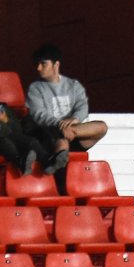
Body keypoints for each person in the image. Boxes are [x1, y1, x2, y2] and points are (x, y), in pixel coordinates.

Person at [26, 44, 108, 172]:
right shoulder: (35, 88)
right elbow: (39, 115)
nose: (38, 68)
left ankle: (64, 143)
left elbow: (82, 106)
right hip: (48, 134)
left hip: (72, 133)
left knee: (101, 126)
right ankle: (57, 173)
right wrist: (60, 125)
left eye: (43, 64)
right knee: (62, 140)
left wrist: (75, 119)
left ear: (56, 64)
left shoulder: (73, 85)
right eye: (37, 64)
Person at [0, 102, 53, 176]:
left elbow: (18, 129)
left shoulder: (3, 108)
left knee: (31, 140)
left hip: (14, 136)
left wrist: (6, 120)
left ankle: (47, 162)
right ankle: (20, 162)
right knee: (5, 142)